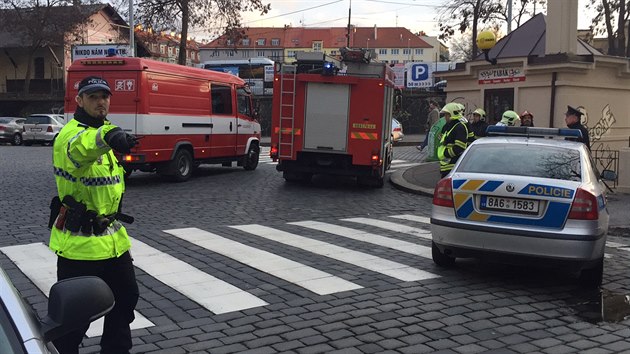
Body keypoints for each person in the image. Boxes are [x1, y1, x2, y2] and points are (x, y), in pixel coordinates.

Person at [48, 76, 140, 354]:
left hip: (112, 241)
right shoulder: (71, 135)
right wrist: (108, 136)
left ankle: (116, 349)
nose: (101, 101)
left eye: (105, 96)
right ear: (79, 100)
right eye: (93, 97)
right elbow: (83, 147)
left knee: (126, 299)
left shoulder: (106, 130)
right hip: (80, 247)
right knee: (76, 318)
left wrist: (113, 137)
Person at [437, 102, 469, 177]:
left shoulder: (459, 127)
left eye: (446, 114)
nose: (445, 117)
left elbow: (460, 147)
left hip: (453, 166)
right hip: (447, 166)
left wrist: (446, 154)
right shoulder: (450, 126)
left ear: (451, 114)